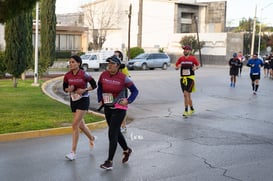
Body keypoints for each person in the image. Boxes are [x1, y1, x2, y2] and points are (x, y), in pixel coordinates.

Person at [97, 55, 139, 170]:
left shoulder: (123, 78)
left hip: (119, 108)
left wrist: (128, 100)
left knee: (112, 133)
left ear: (118, 66)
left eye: (112, 63)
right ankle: (126, 149)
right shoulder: (103, 75)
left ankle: (109, 161)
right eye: (108, 63)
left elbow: (135, 91)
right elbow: (100, 87)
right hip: (107, 107)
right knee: (115, 132)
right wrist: (100, 98)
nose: (109, 65)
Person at [63, 55, 97, 161]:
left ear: (79, 63)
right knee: (81, 125)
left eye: (73, 62)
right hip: (73, 100)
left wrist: (85, 90)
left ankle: (73, 152)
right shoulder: (67, 75)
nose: (71, 64)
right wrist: (69, 89)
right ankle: (92, 138)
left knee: (75, 125)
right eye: (70, 62)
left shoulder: (84, 74)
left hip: (83, 100)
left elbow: (94, 85)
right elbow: (64, 88)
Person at [175, 45, 200, 117]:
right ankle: (192, 109)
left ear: (189, 51)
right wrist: (177, 67)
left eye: (186, 49)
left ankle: (186, 111)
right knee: (188, 95)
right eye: (184, 49)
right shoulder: (181, 59)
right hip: (182, 79)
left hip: (190, 78)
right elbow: (176, 66)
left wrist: (195, 68)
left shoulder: (193, 59)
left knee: (185, 94)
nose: (184, 50)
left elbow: (198, 65)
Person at [114, 50, 130, 133]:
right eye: (114, 55)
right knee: (112, 108)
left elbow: (129, 79)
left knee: (122, 109)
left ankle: (123, 126)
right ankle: (115, 126)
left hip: (122, 92)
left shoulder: (123, 68)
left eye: (116, 56)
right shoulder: (111, 67)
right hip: (112, 92)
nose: (115, 57)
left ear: (120, 58)